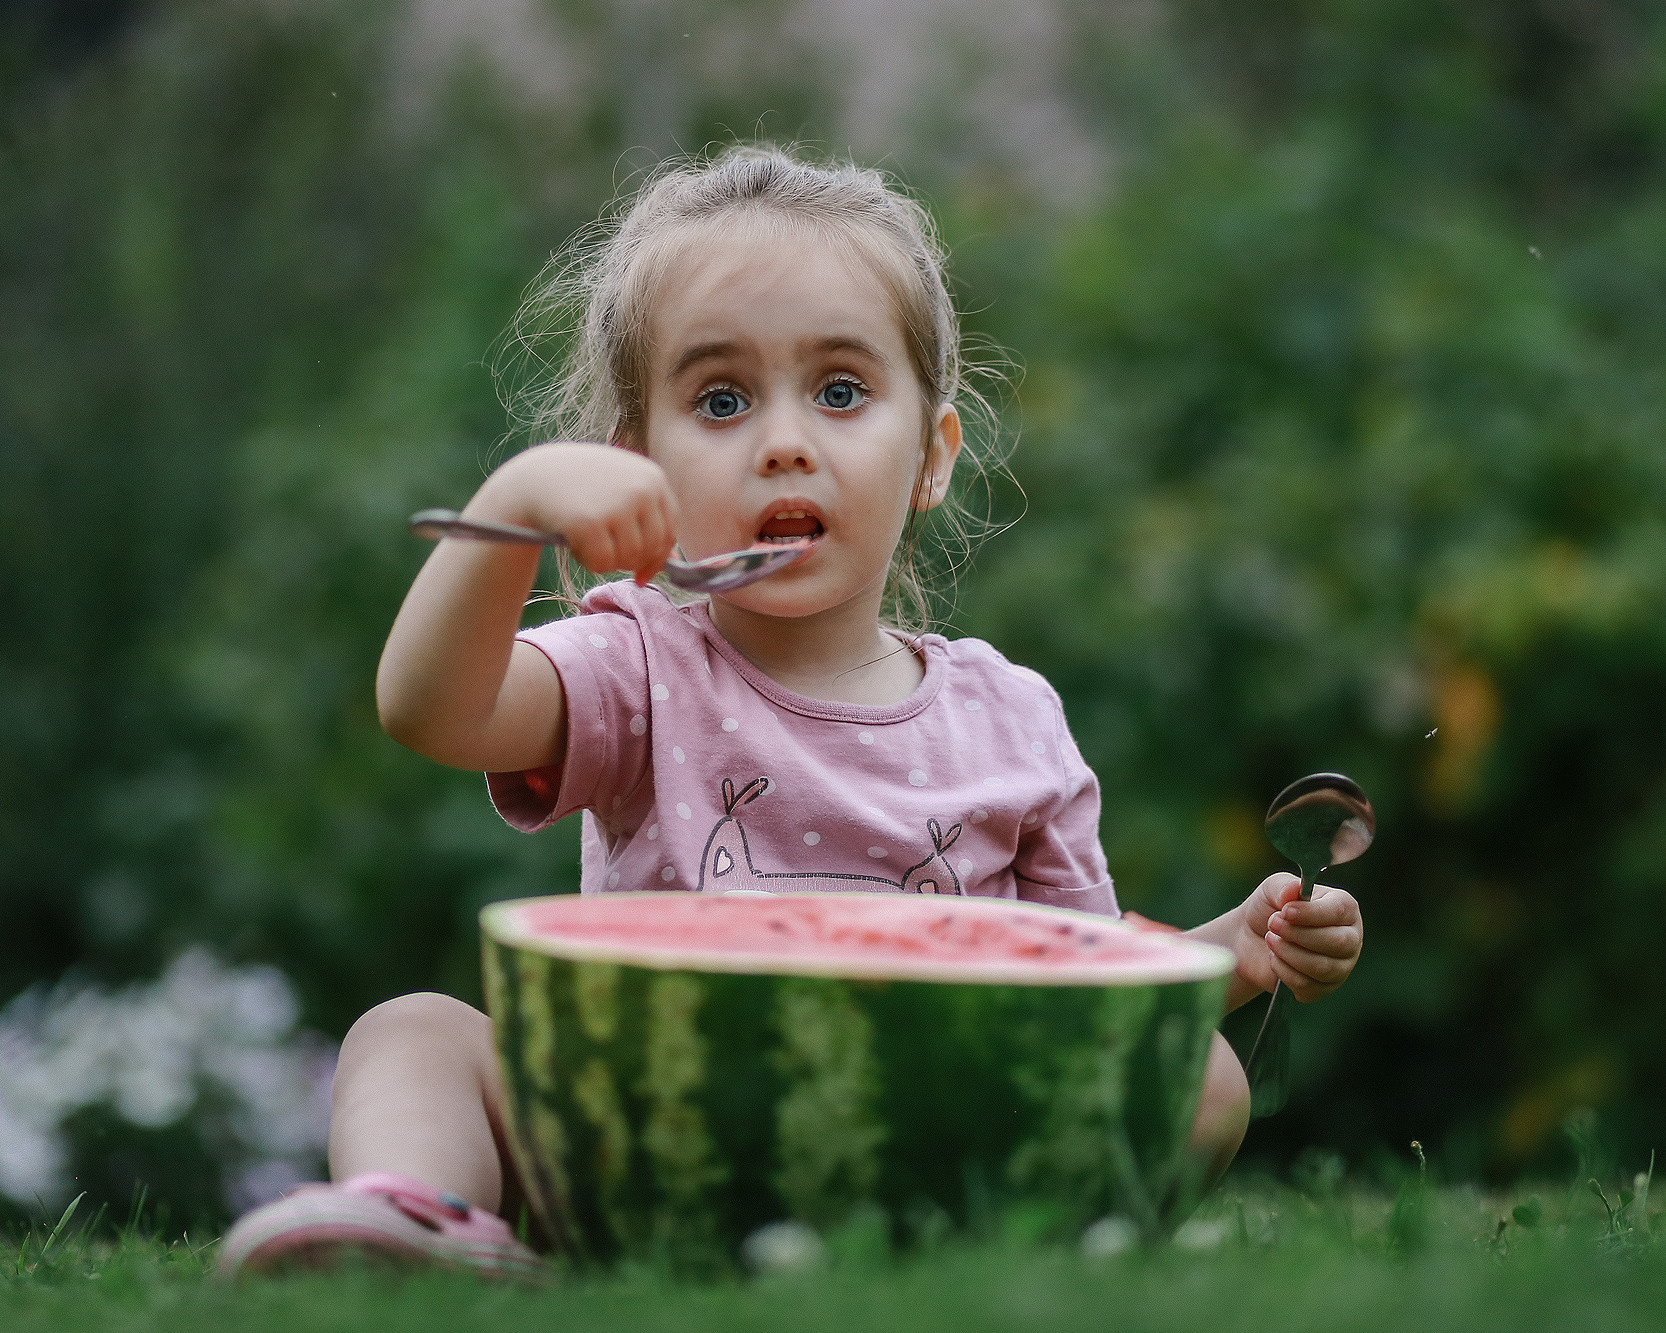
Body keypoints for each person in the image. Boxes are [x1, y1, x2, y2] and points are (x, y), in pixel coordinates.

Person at [217, 146, 1364, 1278]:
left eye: (841, 390)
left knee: (1201, 1077)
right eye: (719, 398)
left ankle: (999, 1264)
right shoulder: (638, 667)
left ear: (929, 453)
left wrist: (1233, 952)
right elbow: (430, 709)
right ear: (635, 466)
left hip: (917, 1156)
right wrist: (513, 507)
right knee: (412, 1031)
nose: (781, 439)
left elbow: (1084, 980)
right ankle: (413, 1225)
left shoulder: (1008, 716)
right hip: (638, 1148)